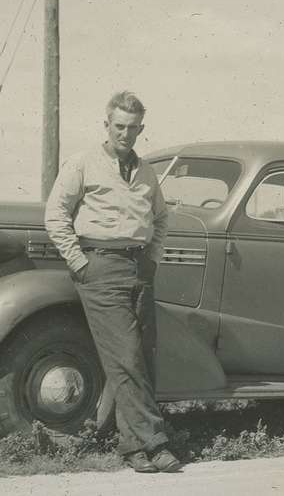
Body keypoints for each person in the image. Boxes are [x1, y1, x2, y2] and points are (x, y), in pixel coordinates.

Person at [44, 90, 181, 473]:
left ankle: (133, 449)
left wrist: (152, 258)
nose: (126, 134)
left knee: (140, 359)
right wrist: (79, 262)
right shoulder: (82, 163)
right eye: (119, 126)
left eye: (133, 128)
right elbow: (55, 214)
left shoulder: (147, 172)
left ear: (141, 129)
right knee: (126, 357)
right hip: (99, 268)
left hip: (138, 268)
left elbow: (162, 219)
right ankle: (157, 442)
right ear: (107, 125)